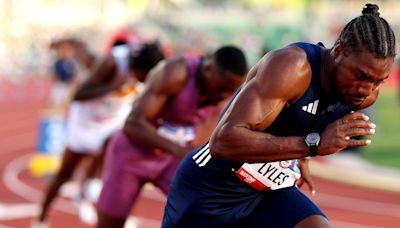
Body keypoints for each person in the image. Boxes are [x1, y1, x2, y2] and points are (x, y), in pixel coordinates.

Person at [162, 3, 396, 228]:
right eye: (360, 75)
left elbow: (306, 117)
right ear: (339, 50)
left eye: (378, 81)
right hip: (213, 187)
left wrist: (301, 156)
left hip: (267, 193)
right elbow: (223, 142)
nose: (366, 90)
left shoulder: (364, 95)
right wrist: (311, 145)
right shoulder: (292, 67)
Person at [96, 45, 248, 228]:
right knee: (110, 223)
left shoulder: (224, 95)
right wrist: (178, 149)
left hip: (170, 159)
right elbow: (132, 123)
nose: (225, 95)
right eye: (222, 87)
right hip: (133, 153)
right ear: (208, 69)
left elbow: (203, 137)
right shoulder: (175, 72)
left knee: (202, 206)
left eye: (231, 90)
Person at [34, 42, 165, 228]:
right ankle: (41, 219)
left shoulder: (151, 73)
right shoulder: (112, 62)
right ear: (137, 67)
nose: (143, 82)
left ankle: (97, 202)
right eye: (143, 77)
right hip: (85, 121)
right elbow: (79, 94)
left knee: (113, 158)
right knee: (64, 173)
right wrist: (113, 86)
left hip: (111, 122)